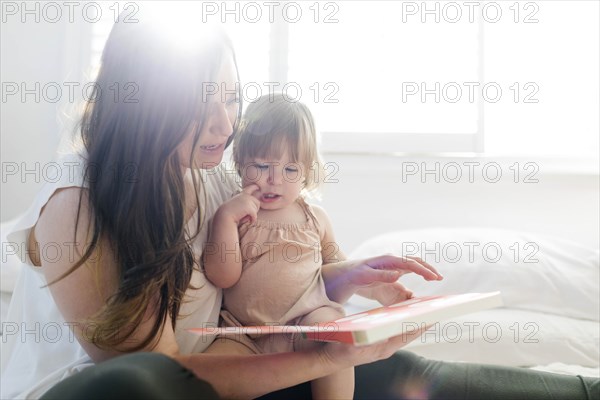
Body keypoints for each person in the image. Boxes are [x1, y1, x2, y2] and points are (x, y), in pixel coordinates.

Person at [1, 7, 597, 400]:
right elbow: (162, 374)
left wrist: (347, 281)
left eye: (232, 99)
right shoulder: (78, 204)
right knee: (143, 379)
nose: (223, 124)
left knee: (404, 376)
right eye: (198, 102)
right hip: (124, 392)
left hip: (220, 374)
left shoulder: (208, 174)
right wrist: (314, 361)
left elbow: (270, 285)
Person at [203, 94, 378, 399]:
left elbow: (338, 270)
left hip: (306, 323)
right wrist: (226, 220)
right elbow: (223, 277)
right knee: (205, 375)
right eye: (261, 166)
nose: (274, 180)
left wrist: (374, 285)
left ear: (307, 171)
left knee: (338, 332)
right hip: (245, 332)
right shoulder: (238, 215)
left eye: (290, 170)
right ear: (240, 161)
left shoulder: (315, 218)